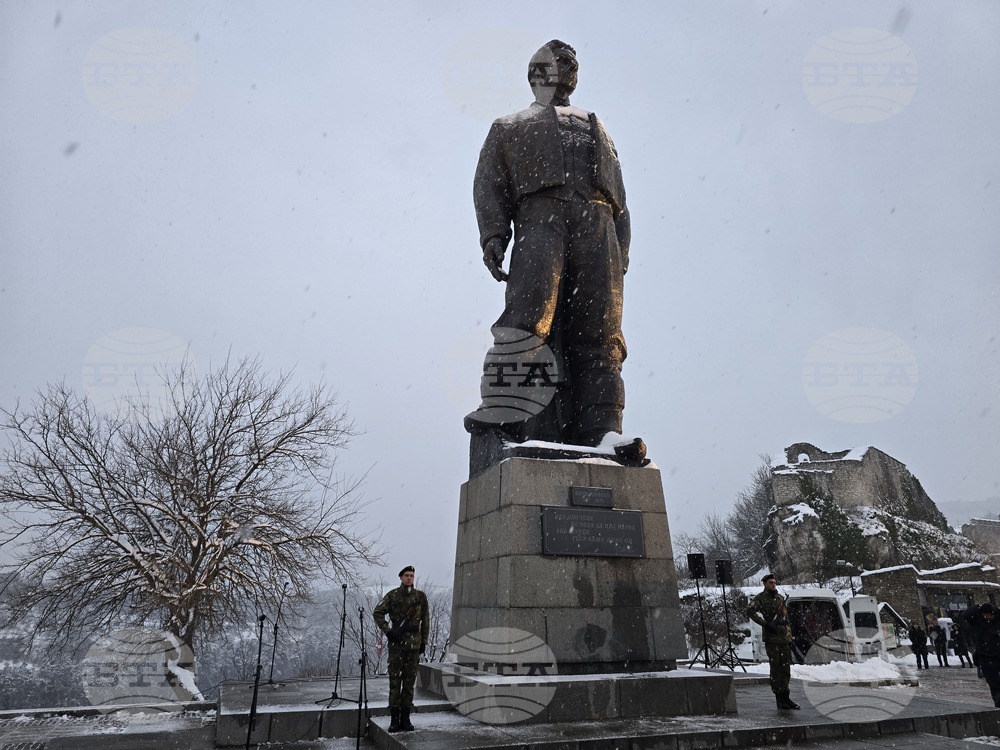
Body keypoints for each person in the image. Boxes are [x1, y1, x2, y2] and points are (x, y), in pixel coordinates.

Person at [465, 40, 632, 449]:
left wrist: (621, 249)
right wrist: (493, 235)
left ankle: (603, 431)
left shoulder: (598, 127)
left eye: (572, 65)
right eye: (560, 64)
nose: (569, 70)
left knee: (601, 332)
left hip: (597, 226)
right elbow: (489, 183)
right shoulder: (510, 126)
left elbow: (620, 200)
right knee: (527, 319)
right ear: (537, 74)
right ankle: (506, 413)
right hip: (540, 220)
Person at [373, 566, 429, 733]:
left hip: (414, 645)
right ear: (401, 577)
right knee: (395, 682)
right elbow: (378, 612)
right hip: (397, 645)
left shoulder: (420, 597)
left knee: (409, 683)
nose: (409, 578)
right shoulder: (393, 595)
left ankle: (406, 718)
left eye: (412, 575)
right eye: (406, 575)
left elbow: (425, 620)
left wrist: (424, 642)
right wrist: (389, 632)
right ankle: (394, 719)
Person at [747, 574, 800, 710]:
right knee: (776, 669)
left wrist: (789, 637)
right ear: (765, 584)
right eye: (770, 582)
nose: (773, 584)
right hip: (772, 639)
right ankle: (779, 697)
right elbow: (750, 611)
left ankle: (786, 696)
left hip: (783, 638)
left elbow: (786, 619)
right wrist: (765, 624)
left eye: (774, 582)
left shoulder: (780, 598)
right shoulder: (761, 598)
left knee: (785, 669)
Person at [963, 603, 1000, 707]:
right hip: (985, 657)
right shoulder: (977, 622)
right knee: (994, 684)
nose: (988, 617)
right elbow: (965, 614)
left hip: (998, 654)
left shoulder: (997, 621)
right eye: (985, 615)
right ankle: (998, 704)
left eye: (990, 615)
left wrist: (995, 610)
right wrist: (978, 607)